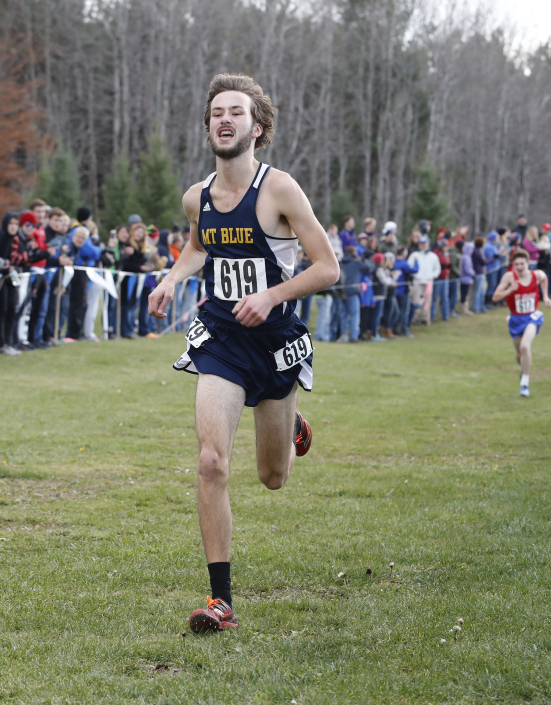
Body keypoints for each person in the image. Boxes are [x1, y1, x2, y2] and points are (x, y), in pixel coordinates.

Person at [147, 73, 339, 634]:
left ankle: (290, 415)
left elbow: (327, 268)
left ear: (258, 127)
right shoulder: (196, 197)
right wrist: (170, 279)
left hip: (274, 341)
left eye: (237, 112)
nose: (225, 120)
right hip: (223, 340)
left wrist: (272, 295)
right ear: (208, 126)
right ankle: (220, 601)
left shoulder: (280, 189)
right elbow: (198, 246)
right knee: (211, 461)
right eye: (216, 113)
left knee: (273, 476)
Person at [491, 249, 551, 396]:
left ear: (528, 263)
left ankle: (524, 384)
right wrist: (509, 290)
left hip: (532, 317)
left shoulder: (535, 275)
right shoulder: (509, 277)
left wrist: (546, 296)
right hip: (515, 318)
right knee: (519, 354)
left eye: (522, 264)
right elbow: (495, 297)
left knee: (525, 347)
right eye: (516, 264)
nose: (519, 267)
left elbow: (544, 278)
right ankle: (524, 370)